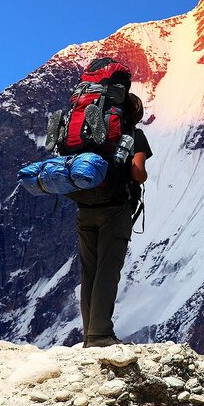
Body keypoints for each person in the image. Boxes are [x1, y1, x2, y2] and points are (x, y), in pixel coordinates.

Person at [76, 92, 153, 348]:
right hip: (115, 210)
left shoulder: (91, 135)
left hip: (85, 206)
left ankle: (89, 334)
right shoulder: (134, 135)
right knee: (107, 270)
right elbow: (138, 173)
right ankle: (100, 334)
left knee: (89, 271)